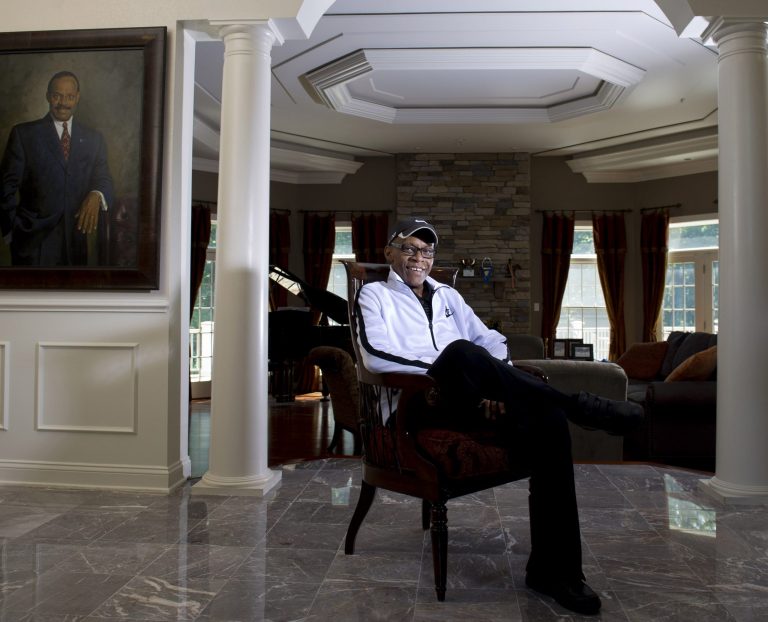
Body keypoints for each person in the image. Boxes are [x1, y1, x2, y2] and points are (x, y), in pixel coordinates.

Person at [353, 217, 644, 616]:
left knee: (548, 423)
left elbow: (491, 339)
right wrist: (447, 370)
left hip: (469, 401)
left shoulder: (448, 296)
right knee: (460, 354)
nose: (419, 258)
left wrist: (496, 385)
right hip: (413, 407)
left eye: (427, 251)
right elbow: (375, 357)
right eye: (409, 248)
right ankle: (580, 406)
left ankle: (554, 572)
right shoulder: (373, 295)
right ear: (390, 252)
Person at [0, 70, 114, 266]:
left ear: (77, 97)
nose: (63, 103)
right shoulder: (24, 134)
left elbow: (104, 178)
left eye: (69, 96)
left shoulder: (94, 139)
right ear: (47, 96)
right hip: (32, 242)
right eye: (57, 96)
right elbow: (5, 187)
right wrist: (11, 231)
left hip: (76, 243)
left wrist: (96, 194)